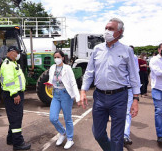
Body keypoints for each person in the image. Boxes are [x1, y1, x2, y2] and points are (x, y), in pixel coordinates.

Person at [79, 18, 141, 151]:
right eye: (106, 28)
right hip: (99, 97)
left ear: (120, 32)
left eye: (111, 29)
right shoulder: (97, 49)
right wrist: (83, 90)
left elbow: (134, 76)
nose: (107, 31)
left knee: (117, 137)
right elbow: (89, 72)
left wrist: (135, 99)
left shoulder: (126, 51)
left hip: (119, 97)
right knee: (98, 133)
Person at [45, 50, 80, 149]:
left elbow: (73, 83)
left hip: (66, 95)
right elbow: (51, 79)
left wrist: (77, 97)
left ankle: (70, 139)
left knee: (67, 118)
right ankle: (62, 132)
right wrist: (49, 83)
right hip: (56, 94)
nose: (56, 59)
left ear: (63, 58)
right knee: (53, 118)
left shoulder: (67, 68)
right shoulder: (52, 67)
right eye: (55, 57)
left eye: (58, 57)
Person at [0, 46, 31, 150]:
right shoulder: (9, 65)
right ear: (11, 52)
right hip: (13, 94)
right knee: (16, 118)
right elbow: (9, 82)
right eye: (17, 52)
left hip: (14, 93)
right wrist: (15, 94)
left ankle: (11, 138)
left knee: (13, 117)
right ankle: (18, 143)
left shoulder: (12, 63)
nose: (18, 55)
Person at [124, 46, 140, 145]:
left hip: (129, 88)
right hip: (117, 90)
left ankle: (125, 135)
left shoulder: (133, 57)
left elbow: (135, 73)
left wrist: (136, 96)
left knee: (128, 112)